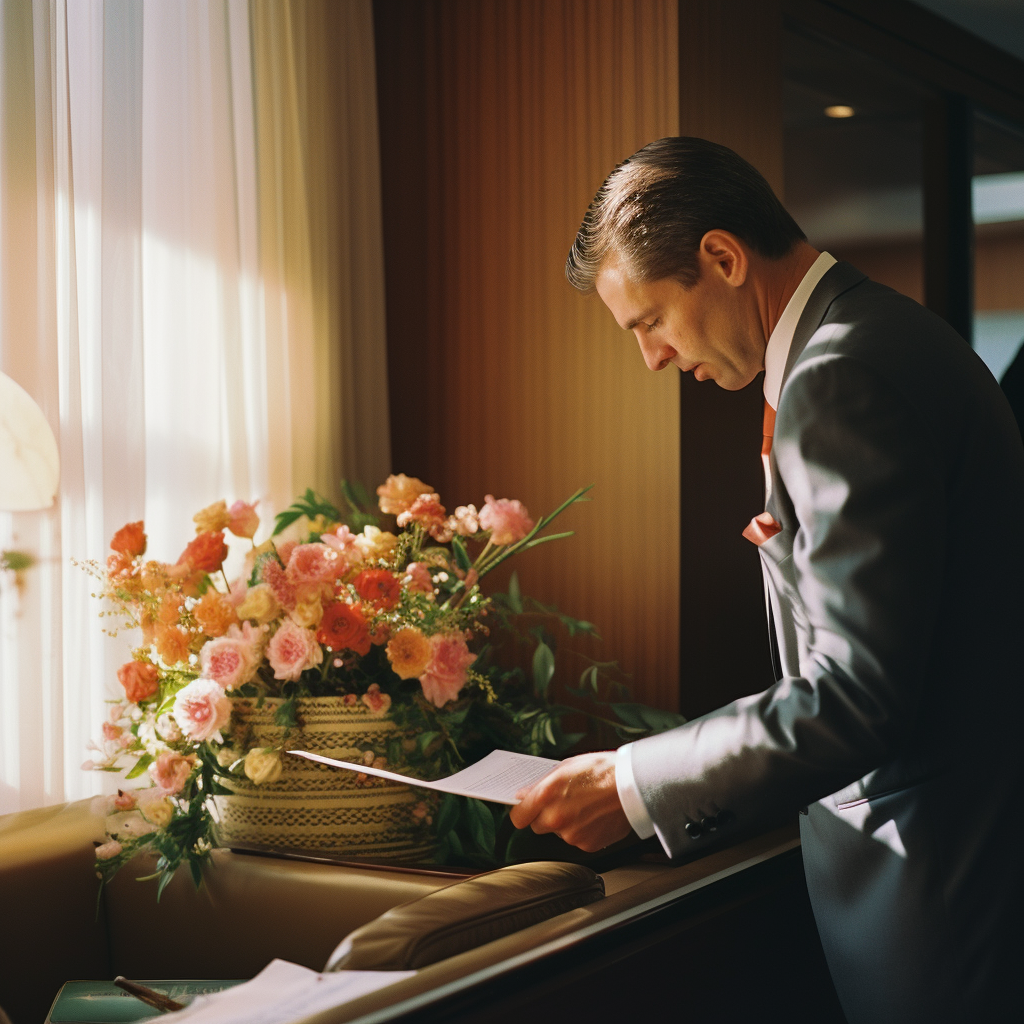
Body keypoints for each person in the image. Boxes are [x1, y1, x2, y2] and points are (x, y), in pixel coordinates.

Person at [510, 137, 1024, 1024]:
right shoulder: (881, 335)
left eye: (650, 322)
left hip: (943, 888)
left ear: (721, 257)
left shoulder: (839, 377)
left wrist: (633, 783)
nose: (653, 360)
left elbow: (856, 693)